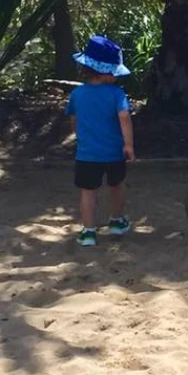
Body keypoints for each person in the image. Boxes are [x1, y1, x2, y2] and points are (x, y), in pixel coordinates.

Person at [65, 35, 135, 247]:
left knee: (88, 192)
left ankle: (88, 231)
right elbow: (124, 118)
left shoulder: (77, 94)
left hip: (87, 153)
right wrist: (128, 145)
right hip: (114, 152)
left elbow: (73, 120)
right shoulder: (117, 94)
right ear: (107, 72)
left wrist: (79, 137)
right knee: (117, 186)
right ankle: (116, 221)